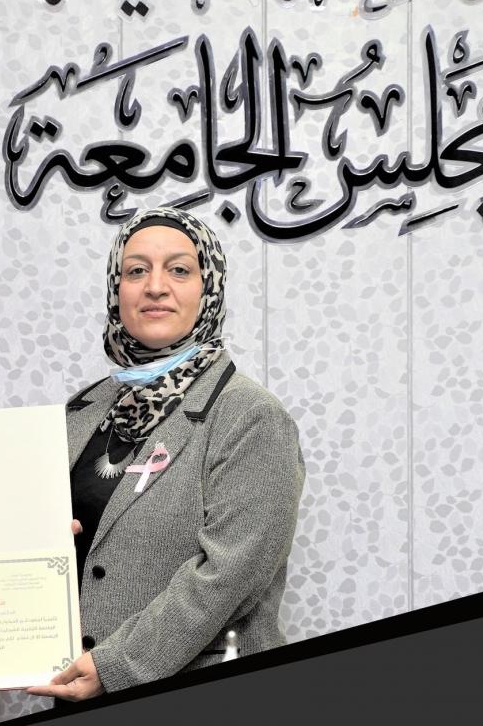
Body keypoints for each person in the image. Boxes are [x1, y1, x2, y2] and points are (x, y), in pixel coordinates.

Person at [29, 207, 305, 702]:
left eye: (179, 270)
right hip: (75, 688)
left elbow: (228, 576)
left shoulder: (249, 416)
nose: (155, 287)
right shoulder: (81, 412)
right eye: (136, 270)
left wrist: (117, 666)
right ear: (116, 289)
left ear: (209, 288)